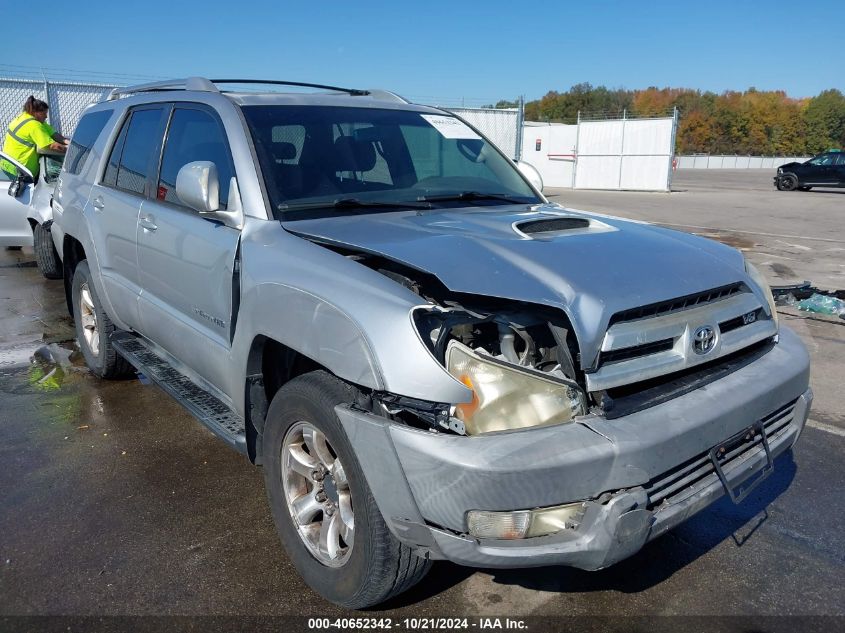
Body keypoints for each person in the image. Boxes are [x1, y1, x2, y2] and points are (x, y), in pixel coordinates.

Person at [1, 95, 68, 181]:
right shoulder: (34, 125)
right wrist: (70, 151)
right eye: (44, 113)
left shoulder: (23, 117)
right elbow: (53, 146)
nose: (46, 117)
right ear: (36, 112)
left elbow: (54, 134)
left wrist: (67, 142)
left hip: (8, 165)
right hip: (20, 171)